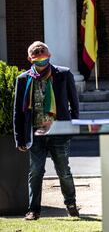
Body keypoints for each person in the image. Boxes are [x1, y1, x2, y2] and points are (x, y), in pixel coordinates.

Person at [13, 41, 80, 220]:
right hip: (35, 134)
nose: (41, 63)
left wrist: (72, 127)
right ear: (30, 59)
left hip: (59, 132)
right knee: (35, 171)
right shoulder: (23, 79)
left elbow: (74, 104)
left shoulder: (63, 74)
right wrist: (20, 139)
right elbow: (18, 112)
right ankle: (33, 210)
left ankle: (71, 204)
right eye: (37, 60)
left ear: (49, 56)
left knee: (63, 170)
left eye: (44, 59)